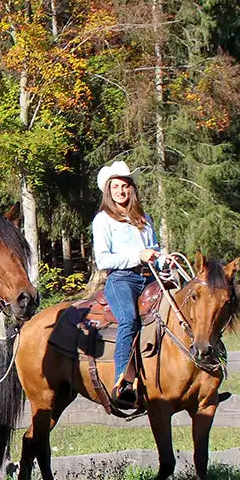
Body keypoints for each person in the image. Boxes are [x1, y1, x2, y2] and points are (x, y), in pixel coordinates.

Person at [92, 160, 164, 409]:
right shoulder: (103, 220)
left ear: (131, 189)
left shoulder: (144, 219)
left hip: (150, 276)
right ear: (108, 192)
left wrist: (166, 260)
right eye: (116, 187)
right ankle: (122, 381)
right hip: (121, 278)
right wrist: (138, 256)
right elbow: (103, 259)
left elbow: (155, 251)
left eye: (124, 186)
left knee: (176, 309)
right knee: (129, 319)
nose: (121, 191)